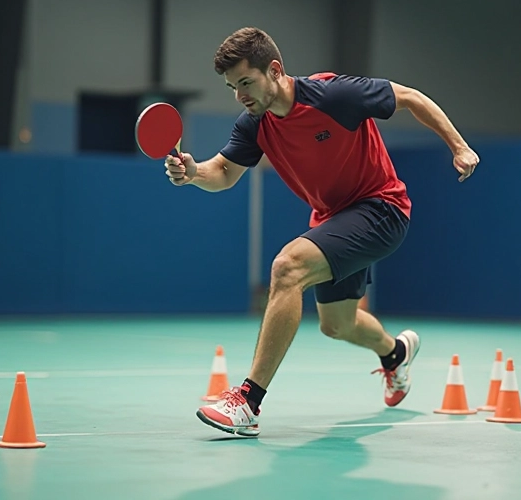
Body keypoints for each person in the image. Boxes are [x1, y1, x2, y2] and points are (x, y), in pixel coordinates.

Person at [164, 27, 480, 437]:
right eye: (231, 87)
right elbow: (222, 172)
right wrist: (192, 173)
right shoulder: (255, 124)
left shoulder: (333, 95)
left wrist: (459, 147)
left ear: (274, 70)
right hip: (334, 219)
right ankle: (396, 354)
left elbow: (411, 98)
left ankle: (248, 402)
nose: (240, 95)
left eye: (246, 82)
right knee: (337, 325)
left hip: (381, 208)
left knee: (288, 268)